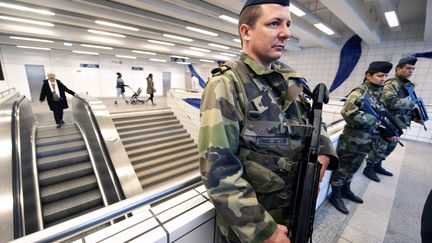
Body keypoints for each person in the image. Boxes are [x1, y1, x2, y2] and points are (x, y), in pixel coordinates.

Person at [198, 1, 338, 242]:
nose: (286, 32)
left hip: (295, 212)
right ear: (246, 31)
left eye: (287, 24)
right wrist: (265, 232)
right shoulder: (227, 85)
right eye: (274, 23)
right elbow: (218, 171)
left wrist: (323, 155)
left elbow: (315, 121)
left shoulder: (292, 80)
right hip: (254, 228)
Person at [329, 61, 394, 214]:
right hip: (353, 139)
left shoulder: (378, 93)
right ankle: (335, 195)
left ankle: (346, 189)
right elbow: (348, 113)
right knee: (344, 167)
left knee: (355, 166)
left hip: (368, 140)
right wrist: (374, 121)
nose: (383, 78)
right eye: (379, 75)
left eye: (385, 75)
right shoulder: (359, 93)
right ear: (368, 75)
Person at [363, 57, 420, 182]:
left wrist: (415, 116)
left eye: (412, 69)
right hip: (389, 122)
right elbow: (390, 101)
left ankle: (378, 165)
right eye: (408, 68)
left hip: (398, 123)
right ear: (398, 68)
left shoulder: (405, 85)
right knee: (380, 146)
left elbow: (405, 105)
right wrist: (412, 104)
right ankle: (369, 167)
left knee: (390, 147)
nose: (410, 71)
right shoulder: (391, 83)